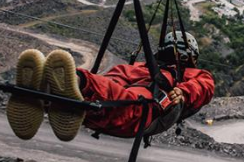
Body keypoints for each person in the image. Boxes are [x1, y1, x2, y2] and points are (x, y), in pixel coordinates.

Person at [6, 32, 214, 142]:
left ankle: (73, 83)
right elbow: (113, 78)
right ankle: (55, 93)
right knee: (112, 82)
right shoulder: (139, 68)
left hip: (150, 106)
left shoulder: (188, 76)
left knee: (126, 95)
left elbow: (204, 86)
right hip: (122, 100)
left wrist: (184, 92)